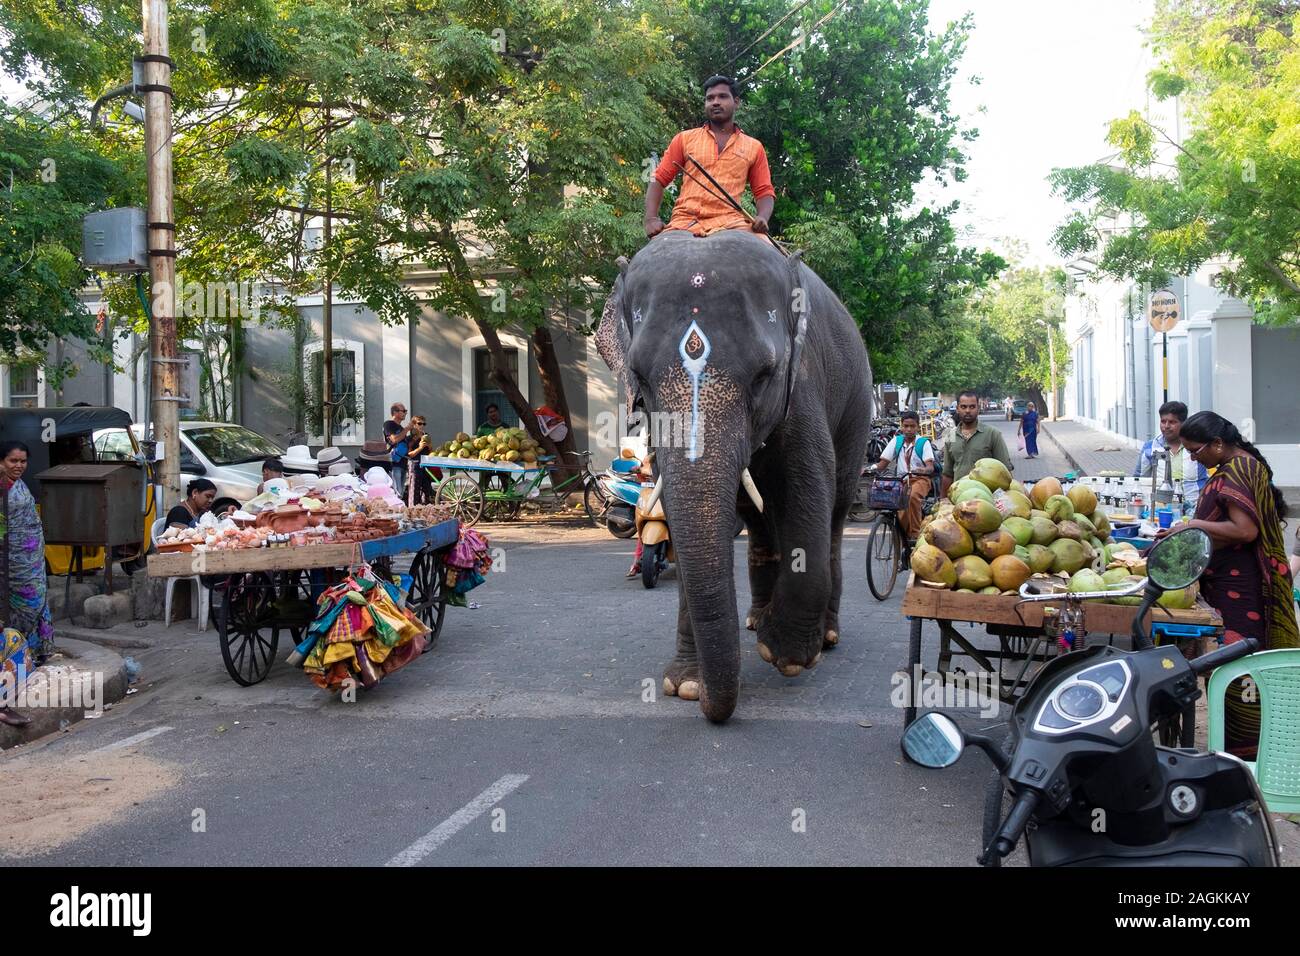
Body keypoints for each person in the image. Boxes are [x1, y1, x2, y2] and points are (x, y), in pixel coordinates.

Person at [1156, 411, 1298, 758]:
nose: (1191, 458)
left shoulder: (1238, 470)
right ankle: (1247, 749)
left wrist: (1192, 527)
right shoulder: (1240, 465)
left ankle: (1253, 754)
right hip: (1234, 584)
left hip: (1243, 590)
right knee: (1236, 666)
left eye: (1195, 450)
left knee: (1239, 668)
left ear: (1218, 444)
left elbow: (1245, 530)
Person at [644, 75, 776, 238]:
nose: (715, 102)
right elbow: (659, 178)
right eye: (710, 98)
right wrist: (650, 219)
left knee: (768, 253)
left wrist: (762, 217)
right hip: (684, 222)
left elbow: (764, 191)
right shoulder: (684, 139)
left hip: (732, 224)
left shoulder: (754, 147)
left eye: (722, 96)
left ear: (736, 102)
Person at [0, 440, 50, 728]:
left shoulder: (19, 485)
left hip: (30, 558)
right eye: (12, 461)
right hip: (10, 561)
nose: (18, 466)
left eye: (23, 461)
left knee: (36, 601)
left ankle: (30, 655)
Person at [1135, 400, 1209, 511]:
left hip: (1196, 508)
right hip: (1161, 509)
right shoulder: (1150, 448)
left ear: (1184, 423)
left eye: (1172, 422)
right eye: (1163, 421)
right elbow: (1139, 479)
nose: (1166, 426)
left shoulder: (1197, 447)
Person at [874, 410, 935, 540]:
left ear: (918, 427)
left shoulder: (923, 443)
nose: (908, 429)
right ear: (901, 426)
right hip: (901, 481)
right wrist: (870, 469)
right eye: (905, 426)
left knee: (912, 497)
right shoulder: (897, 441)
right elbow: (883, 464)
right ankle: (902, 537)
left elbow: (930, 467)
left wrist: (922, 470)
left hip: (920, 479)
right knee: (898, 508)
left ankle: (915, 534)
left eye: (912, 426)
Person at [940, 390, 1013, 495]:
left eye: (972, 407)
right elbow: (947, 473)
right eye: (963, 407)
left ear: (978, 408)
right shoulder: (949, 435)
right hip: (959, 496)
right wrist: (943, 500)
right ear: (957, 409)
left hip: (987, 498)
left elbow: (1006, 472)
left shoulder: (993, 434)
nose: (968, 411)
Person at [626, 454, 656, 578]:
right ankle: (636, 563)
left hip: (665, 497)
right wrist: (637, 469)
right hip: (648, 497)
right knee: (641, 533)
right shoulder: (649, 457)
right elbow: (640, 470)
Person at [405, 416, 435, 504]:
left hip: (426, 464)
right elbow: (409, 454)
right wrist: (420, 448)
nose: (422, 426)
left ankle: (425, 510)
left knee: (426, 490)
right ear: (414, 425)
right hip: (415, 464)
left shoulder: (427, 436)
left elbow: (431, 451)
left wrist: (429, 447)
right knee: (414, 490)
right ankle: (413, 509)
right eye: (419, 423)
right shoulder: (410, 438)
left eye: (424, 424)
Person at [383, 403, 411, 493]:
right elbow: (394, 439)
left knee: (401, 492)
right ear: (395, 413)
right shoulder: (388, 424)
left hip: (403, 463)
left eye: (405, 411)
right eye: (403, 411)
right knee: (396, 492)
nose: (405, 413)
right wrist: (407, 428)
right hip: (394, 464)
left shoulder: (401, 428)